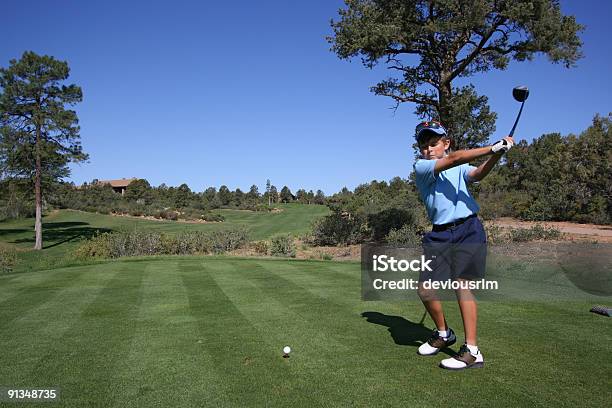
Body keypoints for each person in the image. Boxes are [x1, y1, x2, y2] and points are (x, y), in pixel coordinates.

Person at [412, 120, 513, 370]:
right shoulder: (422, 167)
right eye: (423, 146)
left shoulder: (459, 167)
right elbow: (454, 159)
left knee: (461, 284)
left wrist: (496, 155)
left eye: (433, 144)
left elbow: (477, 174)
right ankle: (444, 334)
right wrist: (492, 147)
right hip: (440, 235)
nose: (428, 149)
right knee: (425, 290)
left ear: (445, 143)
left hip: (468, 229)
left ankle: (472, 350)